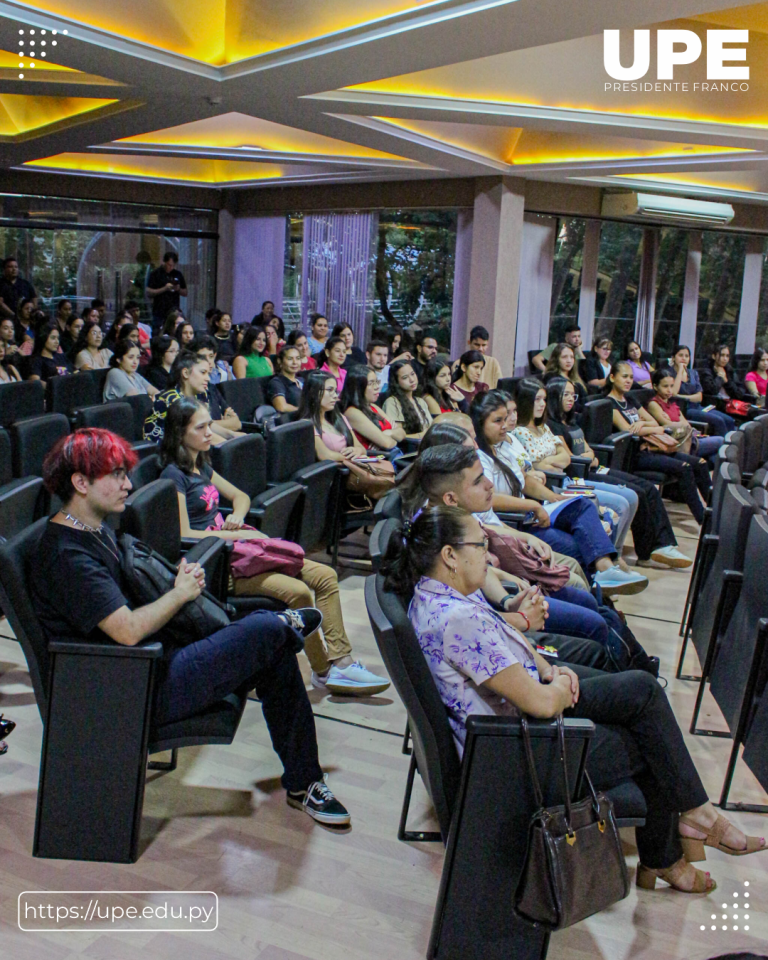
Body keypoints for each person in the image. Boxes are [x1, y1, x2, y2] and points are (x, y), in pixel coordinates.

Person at [382, 505, 767, 893]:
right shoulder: (458, 620)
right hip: (516, 754)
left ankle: (688, 826)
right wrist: (558, 688)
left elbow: (508, 637)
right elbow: (541, 704)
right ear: (450, 555)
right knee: (652, 741)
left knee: (642, 692)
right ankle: (674, 848)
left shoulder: (438, 595)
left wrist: (551, 670)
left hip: (514, 728)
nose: (489, 552)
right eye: (481, 544)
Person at [34, 428, 351, 825]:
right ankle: (278, 625)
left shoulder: (95, 530)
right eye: (116, 475)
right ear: (80, 482)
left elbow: (130, 597)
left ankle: (305, 782)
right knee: (267, 634)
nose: (128, 484)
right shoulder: (68, 556)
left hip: (153, 662)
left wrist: (171, 582)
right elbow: (128, 630)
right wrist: (180, 593)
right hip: (128, 690)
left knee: (275, 651)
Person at [160, 398, 390, 697]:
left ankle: (342, 660)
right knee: (299, 592)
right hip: (219, 565)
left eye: (208, 425)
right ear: (180, 433)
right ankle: (324, 671)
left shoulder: (200, 465)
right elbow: (185, 533)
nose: (209, 432)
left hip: (241, 548)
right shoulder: (172, 475)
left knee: (325, 576)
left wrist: (236, 517)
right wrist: (234, 536)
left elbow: (241, 497)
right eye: (201, 427)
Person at [403, 441, 652, 662]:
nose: (490, 485)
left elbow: (483, 570)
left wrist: (507, 593)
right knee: (595, 624)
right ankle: (626, 672)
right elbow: (474, 616)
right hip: (493, 628)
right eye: (479, 481)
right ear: (450, 498)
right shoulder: (437, 534)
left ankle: (636, 664)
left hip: (501, 604)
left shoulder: (455, 517)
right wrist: (513, 607)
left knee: (595, 606)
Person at [471, 389, 648, 595]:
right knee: (580, 547)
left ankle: (606, 570)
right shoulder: (479, 458)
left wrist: (554, 497)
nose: (505, 425)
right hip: (515, 521)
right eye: (497, 421)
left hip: (530, 512)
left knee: (582, 505)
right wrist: (533, 505)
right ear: (480, 424)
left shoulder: (503, 445)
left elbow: (524, 480)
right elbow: (488, 499)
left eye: (506, 418)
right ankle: (602, 586)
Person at [545, 377, 692, 569]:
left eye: (574, 394)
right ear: (555, 396)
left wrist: (589, 456)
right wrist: (588, 457)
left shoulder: (572, 422)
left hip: (594, 467)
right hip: (581, 474)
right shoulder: (553, 425)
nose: (571, 399)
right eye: (566, 394)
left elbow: (590, 453)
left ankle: (663, 545)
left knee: (647, 487)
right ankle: (645, 552)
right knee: (637, 493)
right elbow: (573, 458)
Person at [513, 379, 638, 555]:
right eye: (537, 399)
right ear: (526, 401)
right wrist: (551, 461)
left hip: (567, 479)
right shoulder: (518, 432)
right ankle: (610, 558)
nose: (542, 404)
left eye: (544, 399)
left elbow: (566, 458)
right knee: (619, 506)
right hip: (552, 487)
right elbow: (538, 466)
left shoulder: (544, 428)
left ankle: (613, 555)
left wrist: (548, 461)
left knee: (628, 499)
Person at [607, 361, 711, 524]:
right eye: (624, 377)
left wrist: (642, 424)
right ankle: (703, 520)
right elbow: (628, 430)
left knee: (701, 463)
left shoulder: (630, 399)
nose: (628, 381)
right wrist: (646, 427)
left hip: (653, 446)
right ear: (612, 377)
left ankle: (713, 511)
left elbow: (655, 424)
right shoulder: (610, 404)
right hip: (635, 453)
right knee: (684, 468)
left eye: (631, 377)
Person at [144, 350, 232, 445]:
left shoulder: (201, 394)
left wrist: (233, 435)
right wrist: (232, 447)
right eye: (203, 372)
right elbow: (202, 435)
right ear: (185, 373)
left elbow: (207, 426)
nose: (208, 378)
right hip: (166, 452)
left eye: (208, 373)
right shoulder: (171, 400)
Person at [646, 368, 723, 463]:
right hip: (677, 443)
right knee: (721, 441)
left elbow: (686, 424)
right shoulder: (654, 404)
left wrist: (676, 422)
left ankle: (704, 471)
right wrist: (677, 423)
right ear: (655, 386)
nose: (670, 390)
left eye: (671, 386)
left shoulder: (673, 404)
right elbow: (669, 426)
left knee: (715, 452)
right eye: (665, 386)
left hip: (689, 439)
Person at [299, 371, 368, 463]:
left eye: (336, 391)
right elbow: (324, 455)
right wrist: (350, 458)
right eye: (329, 390)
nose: (335, 396)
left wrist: (357, 451)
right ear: (313, 392)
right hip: (335, 472)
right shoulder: (307, 424)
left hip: (353, 466)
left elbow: (360, 448)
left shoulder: (339, 417)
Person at [669, 343, 735, 436]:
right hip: (683, 409)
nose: (684, 358)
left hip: (698, 407)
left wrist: (681, 396)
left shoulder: (693, 373)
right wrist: (680, 371)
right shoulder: (669, 373)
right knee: (719, 421)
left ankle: (734, 446)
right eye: (680, 355)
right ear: (673, 358)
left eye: (687, 356)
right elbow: (673, 393)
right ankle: (723, 447)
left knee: (729, 420)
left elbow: (699, 397)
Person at [340, 365, 406, 452]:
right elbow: (387, 443)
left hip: (392, 454)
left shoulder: (373, 406)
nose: (377, 387)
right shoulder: (352, 412)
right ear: (358, 387)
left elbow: (402, 433)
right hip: (376, 459)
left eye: (376, 382)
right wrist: (393, 434)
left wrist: (388, 433)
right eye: (371, 383)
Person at [383, 358, 432, 438]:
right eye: (405, 377)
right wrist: (422, 435)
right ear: (396, 382)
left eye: (412, 374)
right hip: (409, 447)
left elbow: (430, 427)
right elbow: (399, 437)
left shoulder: (420, 401)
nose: (412, 380)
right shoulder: (392, 402)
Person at [146, 252, 187, 334]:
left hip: (173, 309)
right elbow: (148, 292)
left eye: (173, 265)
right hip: (159, 310)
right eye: (169, 265)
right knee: (157, 332)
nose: (171, 267)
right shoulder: (156, 273)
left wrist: (178, 289)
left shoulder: (177, 274)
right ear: (164, 262)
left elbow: (185, 292)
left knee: (174, 332)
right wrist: (164, 288)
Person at [542, 342, 588, 411]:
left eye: (572, 357)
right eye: (564, 357)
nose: (569, 361)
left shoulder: (575, 377)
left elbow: (584, 399)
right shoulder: (551, 377)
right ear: (556, 359)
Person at [268, 344, 304, 413]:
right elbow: (281, 407)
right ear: (279, 361)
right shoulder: (277, 382)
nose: (295, 362)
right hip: (294, 421)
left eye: (298, 358)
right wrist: (304, 411)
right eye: (290, 359)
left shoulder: (302, 380)